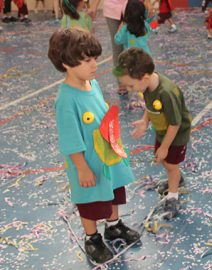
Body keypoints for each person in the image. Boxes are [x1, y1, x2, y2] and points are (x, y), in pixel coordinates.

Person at [48, 28, 140, 264]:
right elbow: (70, 139)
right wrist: (82, 168)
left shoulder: (93, 84)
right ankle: (92, 238)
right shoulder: (66, 99)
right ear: (66, 64)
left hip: (107, 156)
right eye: (87, 60)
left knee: (113, 192)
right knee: (90, 201)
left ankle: (113, 226)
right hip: (88, 162)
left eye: (95, 59)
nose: (94, 64)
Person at [113, 48, 192, 220]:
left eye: (131, 85)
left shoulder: (167, 93)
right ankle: (176, 179)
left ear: (145, 77)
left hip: (176, 135)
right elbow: (151, 106)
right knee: (164, 160)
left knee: (170, 164)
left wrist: (165, 147)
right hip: (163, 131)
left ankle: (173, 196)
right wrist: (144, 121)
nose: (129, 89)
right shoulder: (148, 86)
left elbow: (175, 123)